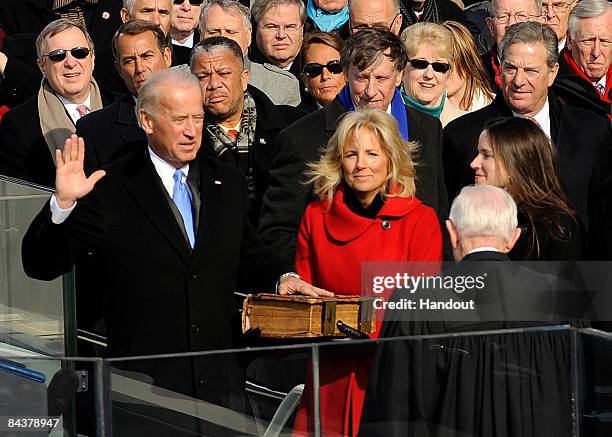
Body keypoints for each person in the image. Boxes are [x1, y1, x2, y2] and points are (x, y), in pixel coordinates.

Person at [21, 69, 327, 429]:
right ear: (146, 121)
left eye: (197, 117)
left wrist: (282, 277)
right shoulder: (111, 188)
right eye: (179, 118)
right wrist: (63, 205)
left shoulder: (225, 182)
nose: (191, 129)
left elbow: (248, 254)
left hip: (219, 389)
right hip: (143, 389)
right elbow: (40, 264)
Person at [360, 184, 582, 436]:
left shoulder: (414, 300)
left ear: (452, 233)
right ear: (513, 238)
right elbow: (577, 396)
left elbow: (391, 412)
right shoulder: (559, 296)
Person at [292, 108, 442, 437]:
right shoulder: (316, 218)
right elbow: (307, 298)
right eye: (351, 154)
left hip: (391, 376)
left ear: (391, 159)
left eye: (372, 153)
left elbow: (422, 311)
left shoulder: (421, 221)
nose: (361, 164)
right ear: (338, 161)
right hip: (329, 375)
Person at [258, 28, 447, 271]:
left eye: (381, 78)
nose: (370, 91)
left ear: (399, 76)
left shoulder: (428, 129)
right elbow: (278, 231)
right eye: (362, 78)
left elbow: (439, 216)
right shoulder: (301, 138)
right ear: (346, 74)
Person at [443, 21, 611, 243]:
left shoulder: (592, 130)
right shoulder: (462, 136)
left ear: (552, 73)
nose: (519, 81)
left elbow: (603, 219)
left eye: (531, 70)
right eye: (511, 68)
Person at [190, 37, 305, 225]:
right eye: (203, 77)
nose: (214, 84)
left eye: (224, 73)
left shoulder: (291, 127)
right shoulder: (182, 138)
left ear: (244, 78)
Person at [0, 19, 107, 187]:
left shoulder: (124, 107)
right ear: (42, 66)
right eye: (58, 55)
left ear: (93, 58)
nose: (71, 63)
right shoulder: (18, 125)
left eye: (80, 52)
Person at [470, 117, 582, 260]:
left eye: (486, 155)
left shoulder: (556, 228)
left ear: (515, 162)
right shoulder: (473, 213)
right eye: (478, 153)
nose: (474, 163)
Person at [76, 20, 172, 172]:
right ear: (119, 69)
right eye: (129, 61)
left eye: (146, 56)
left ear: (166, 57)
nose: (139, 68)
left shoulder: (200, 112)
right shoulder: (94, 131)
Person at [0, 0, 122, 108]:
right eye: (57, 55)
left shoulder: (119, 6)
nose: (71, 63)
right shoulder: (14, 9)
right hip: (39, 113)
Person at [199, 0, 303, 106]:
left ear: (249, 36)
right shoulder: (184, 79)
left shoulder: (283, 85)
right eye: (213, 32)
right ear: (201, 36)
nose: (223, 38)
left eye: (231, 32)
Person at [400, 22, 467, 127]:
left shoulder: (464, 125)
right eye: (420, 64)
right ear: (401, 68)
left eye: (439, 66)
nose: (429, 75)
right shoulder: (384, 117)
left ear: (448, 74)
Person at [554, 0, 611, 118]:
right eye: (588, 41)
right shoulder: (551, 88)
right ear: (569, 40)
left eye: (605, 41)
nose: (596, 52)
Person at [250, 0, 307, 102]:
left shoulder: (317, 69)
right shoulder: (245, 73)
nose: (281, 35)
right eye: (272, 27)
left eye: (290, 27)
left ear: (302, 30)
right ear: (255, 30)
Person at [482, 0, 543, 93]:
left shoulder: (554, 72)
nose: (511, 24)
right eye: (502, 17)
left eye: (521, 16)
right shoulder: (473, 72)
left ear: (539, 23)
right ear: (490, 26)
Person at [442, 20, 495, 112]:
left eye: (448, 64)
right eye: (436, 65)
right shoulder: (419, 113)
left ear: (467, 62)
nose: (437, 73)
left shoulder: (496, 110)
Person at [300, 31, 346, 110]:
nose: (325, 76)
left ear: (348, 72)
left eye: (334, 67)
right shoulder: (295, 120)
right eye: (314, 69)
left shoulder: (368, 112)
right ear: (304, 79)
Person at [169, 0, 203, 65]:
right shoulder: (153, 42)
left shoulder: (210, 42)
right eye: (178, 0)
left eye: (194, 1)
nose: (186, 8)